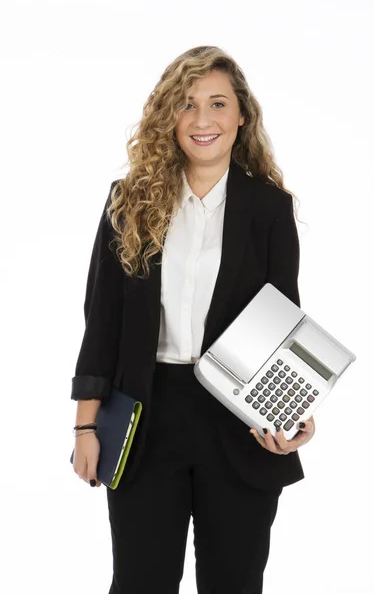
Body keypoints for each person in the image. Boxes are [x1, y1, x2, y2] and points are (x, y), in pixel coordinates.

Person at [70, 45, 316, 594]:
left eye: (218, 103)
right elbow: (101, 323)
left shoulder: (269, 209)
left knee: (235, 582)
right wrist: (86, 425)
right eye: (186, 104)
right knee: (139, 581)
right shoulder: (129, 202)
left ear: (241, 116)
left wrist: (294, 414)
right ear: (168, 118)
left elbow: (285, 323)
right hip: (144, 415)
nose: (202, 120)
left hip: (237, 418)